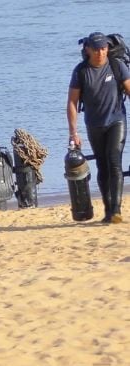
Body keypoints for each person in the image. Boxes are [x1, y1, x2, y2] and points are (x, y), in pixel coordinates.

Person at [67, 32, 130, 223]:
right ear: (88, 50)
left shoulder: (116, 66)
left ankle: (116, 210)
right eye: (96, 49)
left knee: (114, 162)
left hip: (116, 121)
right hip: (94, 125)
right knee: (102, 166)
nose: (100, 53)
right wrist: (73, 133)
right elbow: (72, 102)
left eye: (103, 48)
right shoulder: (81, 71)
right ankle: (108, 209)